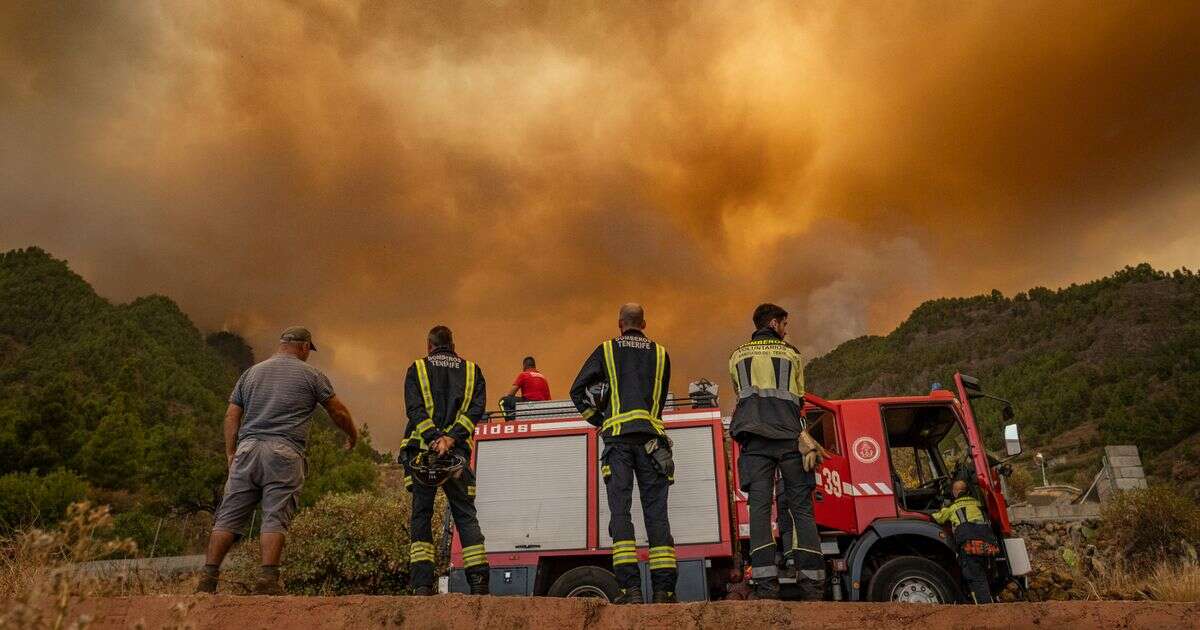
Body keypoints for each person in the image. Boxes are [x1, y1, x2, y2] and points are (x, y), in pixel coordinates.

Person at [197, 326, 358, 595]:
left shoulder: (251, 373)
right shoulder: (312, 375)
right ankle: (267, 580)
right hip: (283, 453)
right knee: (274, 516)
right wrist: (352, 435)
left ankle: (207, 579)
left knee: (227, 517)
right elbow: (338, 411)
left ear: (282, 344)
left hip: (246, 451)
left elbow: (231, 416)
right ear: (305, 347)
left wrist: (230, 453)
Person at [570, 303, 677, 604]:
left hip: (617, 443)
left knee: (621, 513)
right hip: (653, 444)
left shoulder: (606, 350)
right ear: (644, 323)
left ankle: (630, 591)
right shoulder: (660, 353)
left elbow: (577, 390)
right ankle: (664, 592)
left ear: (620, 324)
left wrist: (599, 419)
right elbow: (661, 393)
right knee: (657, 515)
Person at [728, 304, 823, 600]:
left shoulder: (736, 356)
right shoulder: (791, 354)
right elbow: (799, 399)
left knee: (758, 511)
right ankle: (813, 586)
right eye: (784, 323)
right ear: (772, 323)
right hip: (788, 438)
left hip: (754, 442)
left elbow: (741, 394)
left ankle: (766, 587)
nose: (786, 329)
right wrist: (804, 436)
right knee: (801, 509)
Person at [399, 325, 490, 596]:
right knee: (465, 515)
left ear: (429, 345)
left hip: (423, 455)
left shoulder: (417, 368)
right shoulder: (473, 371)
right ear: (453, 345)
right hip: (456, 456)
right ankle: (479, 583)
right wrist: (451, 439)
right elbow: (476, 409)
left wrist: (434, 438)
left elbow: (414, 409)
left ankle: (422, 585)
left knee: (422, 515)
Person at [933, 480, 997, 604]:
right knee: (986, 577)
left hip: (970, 547)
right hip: (988, 547)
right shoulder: (978, 503)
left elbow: (938, 518)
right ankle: (991, 601)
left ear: (955, 492)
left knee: (977, 579)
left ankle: (987, 609)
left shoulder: (953, 507)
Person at [499, 356, 551, 420]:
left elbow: (511, 394)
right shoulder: (543, 377)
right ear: (534, 366)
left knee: (503, 401)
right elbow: (549, 399)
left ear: (524, 366)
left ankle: (510, 422)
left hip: (528, 404)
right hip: (542, 406)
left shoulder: (524, 375)